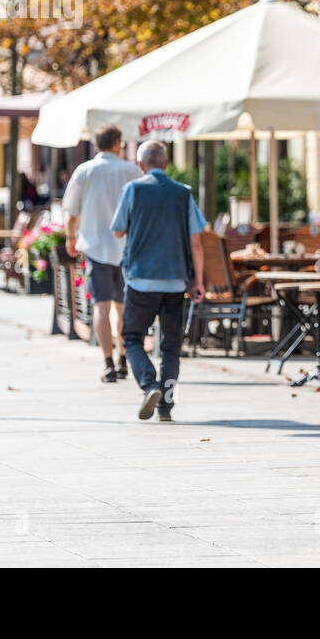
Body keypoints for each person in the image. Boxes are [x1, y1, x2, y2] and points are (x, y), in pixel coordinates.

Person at [111, 141, 205, 422]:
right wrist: (198, 280)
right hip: (176, 281)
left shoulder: (133, 190)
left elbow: (117, 231)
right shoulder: (183, 194)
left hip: (141, 278)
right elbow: (196, 242)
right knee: (171, 347)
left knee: (131, 338)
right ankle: (166, 405)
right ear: (166, 164)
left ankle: (149, 384)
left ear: (140, 165)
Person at [63, 125, 141, 383]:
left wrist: (70, 237)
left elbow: (71, 210)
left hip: (95, 247)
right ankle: (123, 358)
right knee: (122, 307)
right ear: (118, 142)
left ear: (97, 144)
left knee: (100, 306)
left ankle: (107, 362)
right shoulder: (131, 170)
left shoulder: (85, 171)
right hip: (126, 248)